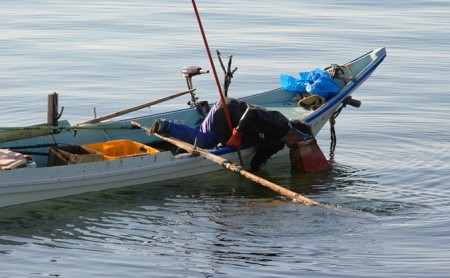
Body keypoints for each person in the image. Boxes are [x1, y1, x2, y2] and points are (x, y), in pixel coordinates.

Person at [151, 97, 312, 172]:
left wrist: (253, 172)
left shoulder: (277, 144)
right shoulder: (277, 120)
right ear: (292, 131)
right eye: (298, 138)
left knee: (217, 145)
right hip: (227, 111)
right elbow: (252, 112)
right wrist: (237, 134)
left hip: (235, 127)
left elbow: (260, 158)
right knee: (204, 142)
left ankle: (201, 128)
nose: (297, 143)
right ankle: (167, 125)